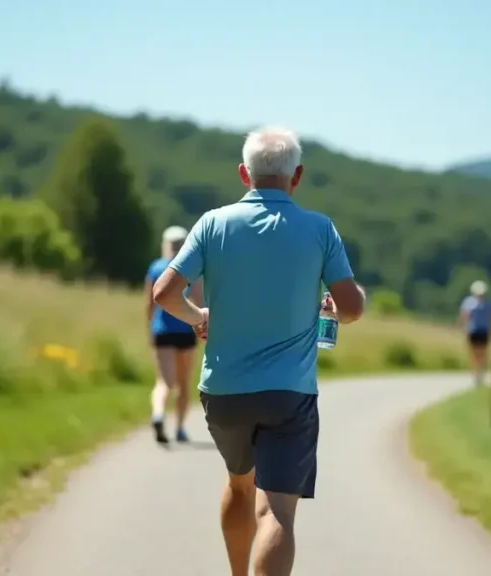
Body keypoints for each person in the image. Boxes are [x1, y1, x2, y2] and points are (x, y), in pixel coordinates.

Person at [151, 126, 366, 576]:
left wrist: (199, 317)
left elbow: (165, 293)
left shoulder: (213, 223)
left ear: (244, 173)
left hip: (224, 391)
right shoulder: (320, 229)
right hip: (290, 395)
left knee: (239, 485)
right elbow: (350, 310)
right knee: (278, 514)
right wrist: (341, 300)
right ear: (297, 176)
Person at [144, 225, 204, 445]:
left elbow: (150, 302)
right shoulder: (191, 268)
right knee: (183, 382)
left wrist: (150, 327)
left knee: (163, 381)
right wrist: (200, 325)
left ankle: (158, 414)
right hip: (185, 331)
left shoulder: (156, 267)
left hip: (162, 331)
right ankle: (179, 428)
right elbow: (197, 300)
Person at [459, 280, 491, 386]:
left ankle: (481, 370)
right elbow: (465, 315)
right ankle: (475, 370)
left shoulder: (488, 304)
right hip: (473, 330)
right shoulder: (469, 302)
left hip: (484, 330)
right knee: (473, 351)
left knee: (483, 351)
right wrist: (464, 327)